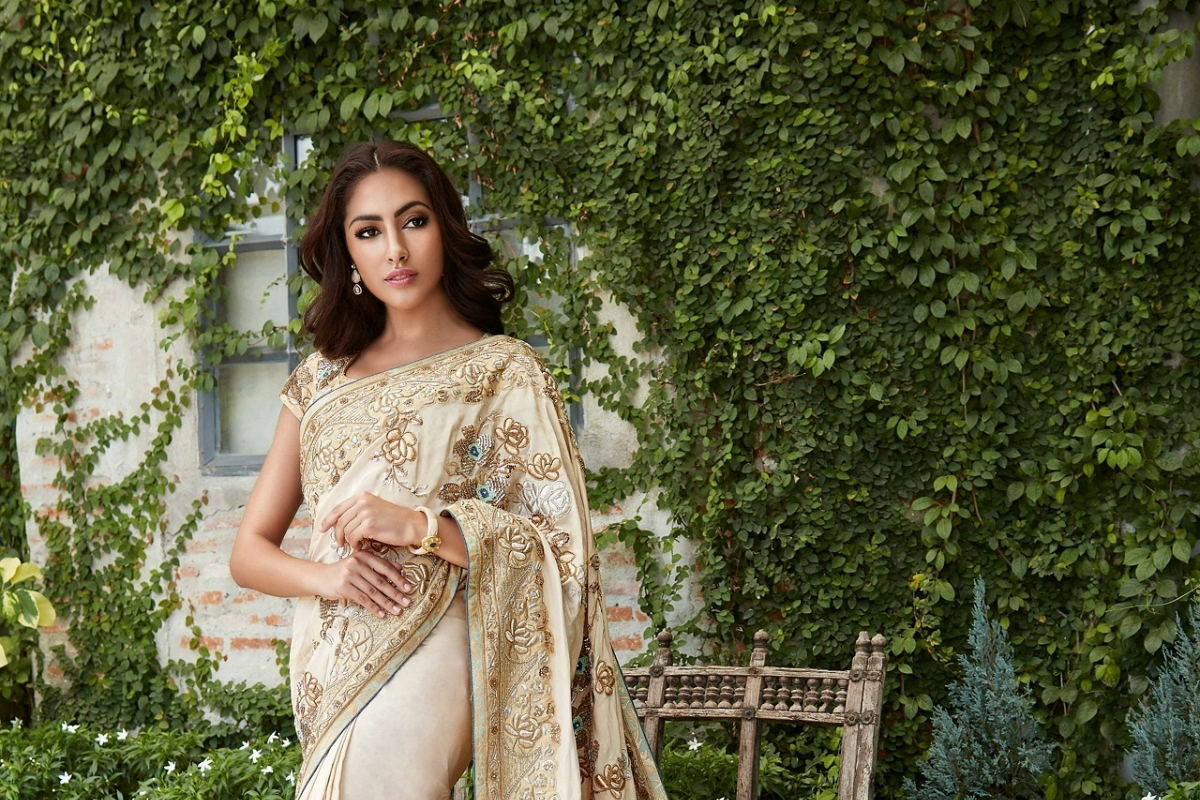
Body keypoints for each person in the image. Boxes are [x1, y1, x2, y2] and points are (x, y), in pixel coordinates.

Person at [229, 140, 667, 800]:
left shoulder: (505, 371)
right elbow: (248, 553)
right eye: (368, 232)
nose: (395, 250)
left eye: (413, 221)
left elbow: (560, 552)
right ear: (348, 253)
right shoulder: (319, 381)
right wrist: (329, 578)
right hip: (331, 659)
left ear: (445, 228)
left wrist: (420, 526)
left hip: (442, 638)